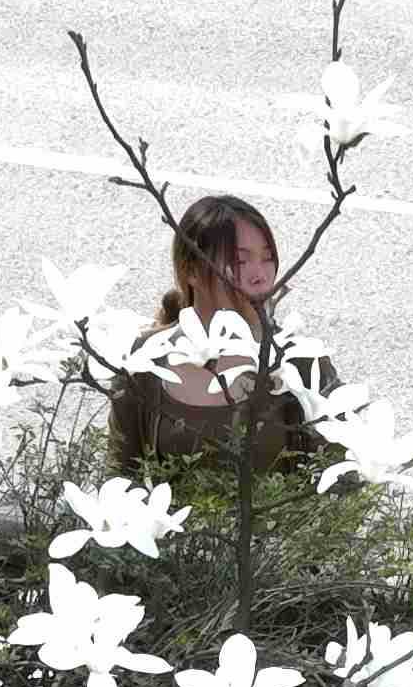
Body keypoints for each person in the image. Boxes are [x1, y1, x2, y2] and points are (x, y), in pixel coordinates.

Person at [106, 194, 329, 487]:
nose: (261, 275)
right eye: (240, 260)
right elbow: (119, 477)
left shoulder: (297, 359)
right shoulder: (145, 358)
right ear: (191, 271)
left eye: (267, 258)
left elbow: (341, 478)